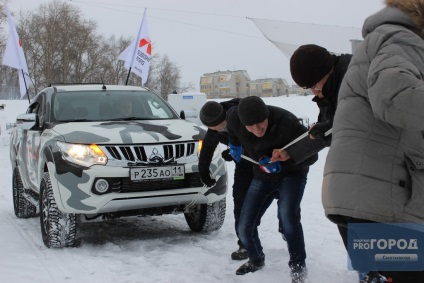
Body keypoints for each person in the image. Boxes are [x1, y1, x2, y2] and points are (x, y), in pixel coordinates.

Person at [322, 0, 424, 282]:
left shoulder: (383, 38)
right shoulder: (400, 38)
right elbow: (396, 97)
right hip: (381, 204)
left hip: (365, 200)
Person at [227, 96, 318, 283]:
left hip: (292, 174)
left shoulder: (287, 122)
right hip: (262, 175)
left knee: (287, 217)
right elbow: (232, 127)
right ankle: (256, 259)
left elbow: (312, 154)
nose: (257, 130)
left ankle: (298, 268)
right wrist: (234, 144)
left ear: (267, 114)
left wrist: (289, 155)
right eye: (250, 126)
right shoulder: (236, 118)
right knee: (244, 226)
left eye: (260, 123)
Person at [271, 44, 352, 164]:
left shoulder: (354, 79)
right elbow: (323, 132)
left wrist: (329, 129)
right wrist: (290, 152)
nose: (314, 92)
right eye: (309, 88)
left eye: (314, 85)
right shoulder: (330, 88)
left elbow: (356, 122)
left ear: (326, 70)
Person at [198, 98, 252, 260]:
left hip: (267, 161)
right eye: (210, 128)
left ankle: (285, 225)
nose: (214, 131)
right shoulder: (214, 127)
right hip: (244, 166)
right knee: (240, 202)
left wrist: (239, 151)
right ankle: (244, 244)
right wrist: (204, 172)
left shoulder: (244, 116)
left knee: (282, 198)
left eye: (217, 128)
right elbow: (207, 149)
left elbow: (260, 139)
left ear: (224, 119)